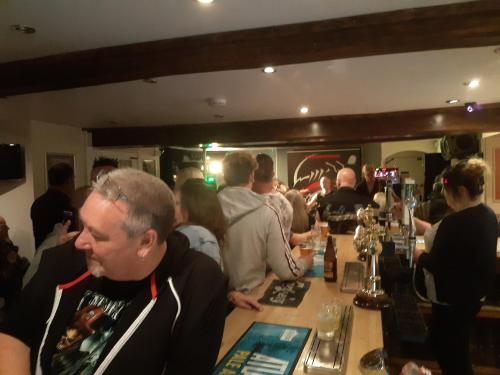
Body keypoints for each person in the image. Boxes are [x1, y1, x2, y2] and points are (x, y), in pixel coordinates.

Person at [0, 168, 227, 374]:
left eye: (97, 235)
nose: (79, 242)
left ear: (146, 242)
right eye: (83, 225)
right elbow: (14, 335)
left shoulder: (197, 282)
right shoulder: (68, 257)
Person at [414, 158, 497, 375]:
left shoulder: (454, 223)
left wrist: (419, 256)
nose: (446, 198)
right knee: (453, 349)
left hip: (451, 301)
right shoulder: (489, 216)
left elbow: (436, 265)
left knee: (451, 355)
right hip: (474, 297)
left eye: (448, 193)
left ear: (460, 191)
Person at [218, 151, 313, 293]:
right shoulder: (266, 212)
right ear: (252, 176)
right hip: (251, 296)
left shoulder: (211, 209)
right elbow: (287, 271)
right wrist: (306, 262)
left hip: (219, 298)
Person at [175, 178, 262, 311]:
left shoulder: (194, 236)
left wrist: (230, 295)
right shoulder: (201, 236)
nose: (171, 209)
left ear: (194, 207)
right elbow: (208, 292)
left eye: (177, 204)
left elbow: (205, 288)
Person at [252, 154, 311, 246]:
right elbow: (286, 239)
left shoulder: (241, 202)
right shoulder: (284, 204)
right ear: (273, 174)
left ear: (251, 175)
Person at [30, 163, 77, 250]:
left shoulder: (37, 203)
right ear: (68, 181)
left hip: (41, 255)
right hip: (61, 255)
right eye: (72, 180)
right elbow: (72, 235)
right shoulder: (66, 205)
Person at [321, 168, 378, 233]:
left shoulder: (324, 203)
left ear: (338, 182)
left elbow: (317, 228)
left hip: (332, 242)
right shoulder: (370, 204)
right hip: (361, 242)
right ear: (355, 182)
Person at [0, 216, 29, 309]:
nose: (8, 228)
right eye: (4, 226)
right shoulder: (5, 247)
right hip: (11, 301)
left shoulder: (7, 246)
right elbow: (15, 267)